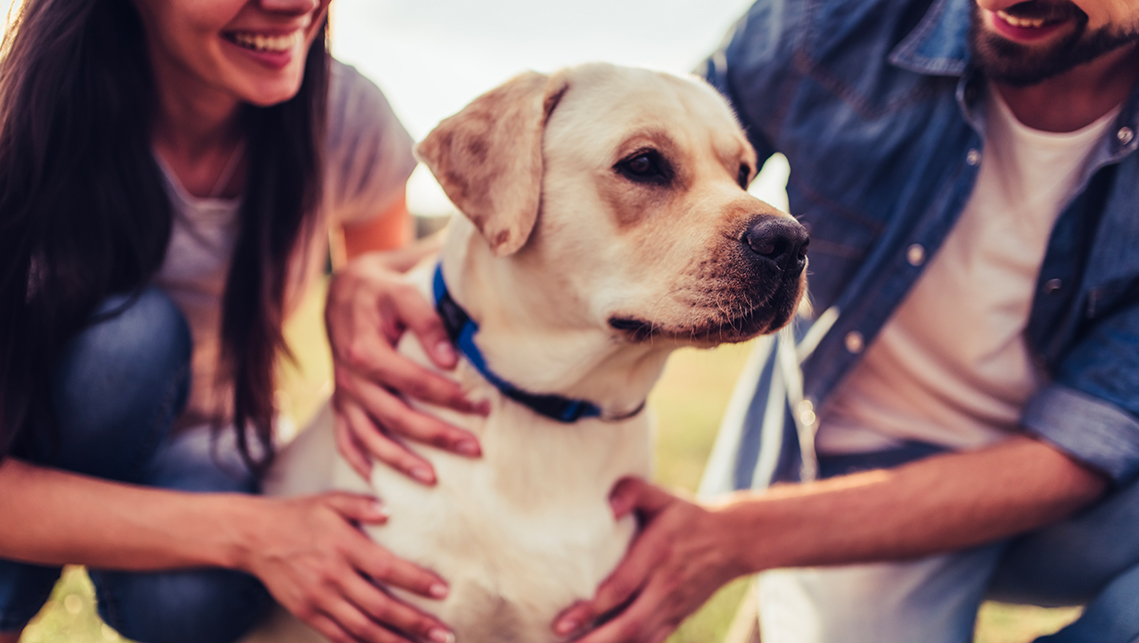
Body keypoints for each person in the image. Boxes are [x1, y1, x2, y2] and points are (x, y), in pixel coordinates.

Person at [346, 0, 1139, 641]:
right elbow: (634, 123)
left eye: (744, 176)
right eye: (648, 169)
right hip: (839, 459)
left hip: (1075, 498)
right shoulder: (832, 20)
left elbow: (1081, 448)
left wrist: (733, 536)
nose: (765, 219)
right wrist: (368, 275)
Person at [0, 0, 481, 641]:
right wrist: (259, 535)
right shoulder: (22, 129)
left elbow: (403, 324)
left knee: (189, 597)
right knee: (128, 343)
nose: (291, 5)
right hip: (27, 448)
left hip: (211, 449)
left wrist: (365, 283)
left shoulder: (345, 116)